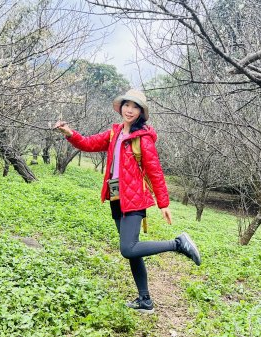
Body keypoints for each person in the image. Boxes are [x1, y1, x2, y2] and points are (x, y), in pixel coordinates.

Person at [55, 89, 201, 314]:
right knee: (134, 251)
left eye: (135, 106)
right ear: (121, 107)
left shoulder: (143, 139)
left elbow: (155, 171)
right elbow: (87, 144)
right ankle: (145, 300)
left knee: (128, 248)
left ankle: (178, 244)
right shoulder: (114, 133)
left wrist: (163, 204)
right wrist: (69, 133)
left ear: (141, 112)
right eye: (126, 105)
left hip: (134, 201)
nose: (129, 109)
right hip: (116, 198)